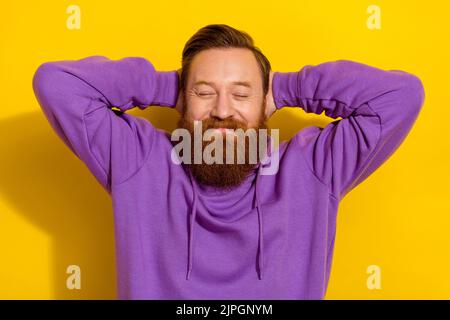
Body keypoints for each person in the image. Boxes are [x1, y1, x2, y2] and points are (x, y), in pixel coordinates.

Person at [32, 24, 425, 299]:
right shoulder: (140, 159)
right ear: (183, 100)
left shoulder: (312, 168)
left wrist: (286, 86)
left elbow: (402, 95)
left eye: (241, 94)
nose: (223, 110)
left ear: (265, 103)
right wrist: (170, 85)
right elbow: (55, 83)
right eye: (205, 92)